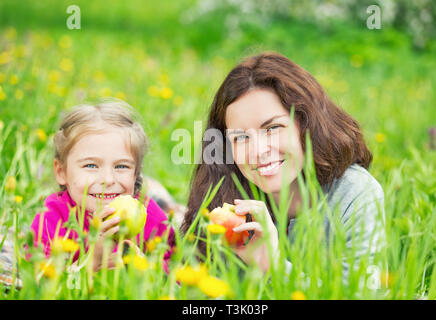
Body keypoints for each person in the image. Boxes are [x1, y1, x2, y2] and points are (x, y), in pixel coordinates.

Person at [181, 52, 385, 277]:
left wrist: (274, 265)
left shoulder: (354, 193)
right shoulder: (225, 200)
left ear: (306, 123)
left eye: (272, 128)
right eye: (240, 137)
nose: (258, 151)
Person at [30, 99, 174, 272]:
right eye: (91, 166)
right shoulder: (53, 216)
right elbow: (37, 277)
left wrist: (148, 269)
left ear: (136, 173)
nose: (108, 179)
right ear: (61, 172)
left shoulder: (147, 213)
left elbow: (177, 266)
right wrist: (88, 265)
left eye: (121, 166)